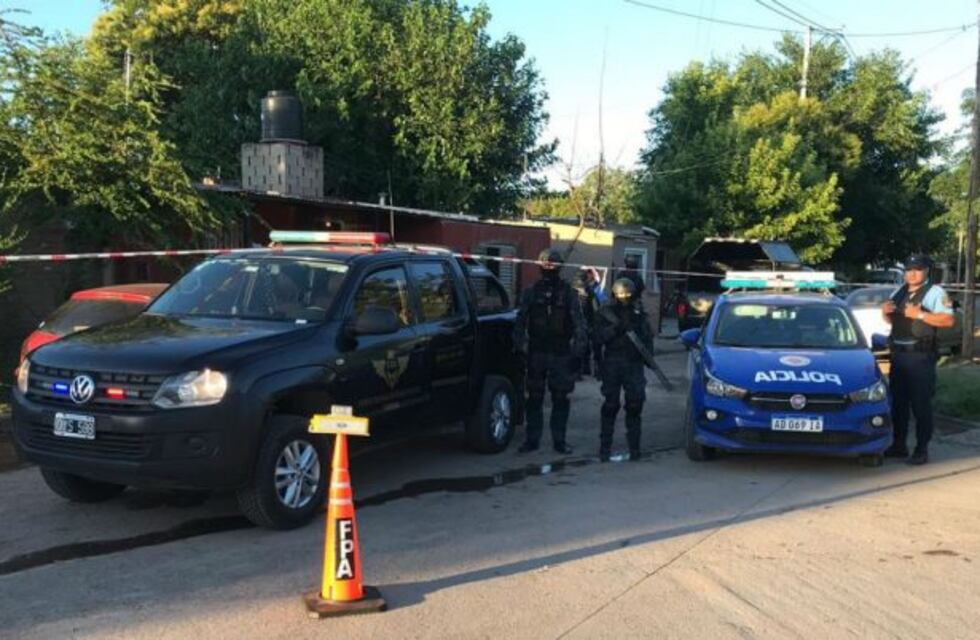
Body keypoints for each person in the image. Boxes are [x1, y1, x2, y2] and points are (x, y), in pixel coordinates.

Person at [881, 254, 956, 465]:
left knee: (921, 405)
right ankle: (899, 445)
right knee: (899, 405)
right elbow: (892, 319)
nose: (912, 273)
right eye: (909, 269)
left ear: (926, 271)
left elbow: (948, 319)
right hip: (899, 355)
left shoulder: (934, 292)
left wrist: (921, 315)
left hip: (920, 357)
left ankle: (921, 449)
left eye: (917, 269)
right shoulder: (899, 291)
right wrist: (885, 312)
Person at [513, 249, 587, 454]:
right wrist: (521, 348)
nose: (549, 269)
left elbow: (580, 324)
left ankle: (559, 441)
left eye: (552, 265)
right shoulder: (531, 291)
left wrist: (577, 353)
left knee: (561, 398)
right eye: (546, 265)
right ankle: (532, 439)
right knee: (534, 398)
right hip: (536, 352)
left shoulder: (569, 293)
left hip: (561, 353)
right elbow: (519, 322)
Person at [594, 278, 654, 462]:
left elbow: (647, 338)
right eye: (622, 295)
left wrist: (648, 357)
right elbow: (597, 338)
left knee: (635, 405)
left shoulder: (639, 313)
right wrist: (616, 329)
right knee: (610, 405)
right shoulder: (606, 312)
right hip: (612, 363)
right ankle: (605, 449)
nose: (625, 298)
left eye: (628, 295)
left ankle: (634, 449)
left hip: (633, 364)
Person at [574, 267, 607, 376]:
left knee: (583, 346)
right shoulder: (589, 289)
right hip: (590, 321)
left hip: (582, 322)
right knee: (595, 347)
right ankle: (597, 371)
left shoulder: (573, 289)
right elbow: (599, 294)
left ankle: (583, 370)